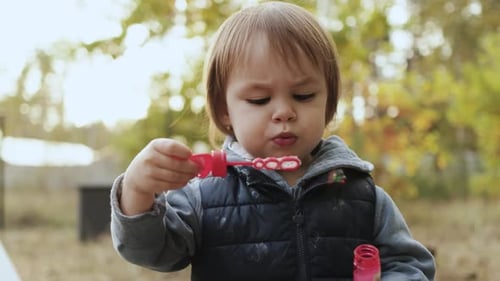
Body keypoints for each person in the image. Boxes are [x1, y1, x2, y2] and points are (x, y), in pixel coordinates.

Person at [110, 2, 436, 280]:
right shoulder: (201, 197)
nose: (284, 112)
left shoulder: (360, 193)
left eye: (303, 95)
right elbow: (152, 252)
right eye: (259, 99)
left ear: (328, 105)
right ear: (225, 112)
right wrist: (137, 191)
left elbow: (408, 263)